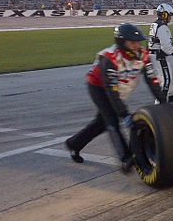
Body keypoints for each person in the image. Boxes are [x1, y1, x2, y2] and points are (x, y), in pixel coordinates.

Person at [65, 23, 165, 172]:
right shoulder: (110, 58)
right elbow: (111, 91)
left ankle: (74, 144)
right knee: (112, 120)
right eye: (132, 42)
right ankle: (125, 158)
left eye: (138, 42)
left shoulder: (144, 55)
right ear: (121, 42)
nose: (136, 46)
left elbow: (152, 80)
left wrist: (163, 102)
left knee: (101, 123)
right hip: (98, 87)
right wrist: (124, 114)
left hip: (121, 86)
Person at [149, 3, 173, 103]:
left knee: (168, 73)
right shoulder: (162, 27)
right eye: (170, 16)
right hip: (159, 56)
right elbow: (165, 45)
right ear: (165, 15)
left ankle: (170, 95)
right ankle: (160, 101)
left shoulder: (155, 24)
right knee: (165, 78)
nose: (170, 18)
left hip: (154, 54)